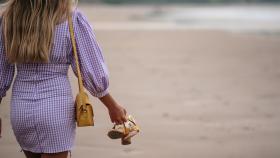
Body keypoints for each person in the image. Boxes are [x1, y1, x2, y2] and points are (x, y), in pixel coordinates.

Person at [0, 0, 128, 158]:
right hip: (56, 109)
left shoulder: (8, 18)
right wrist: (112, 106)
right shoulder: (71, 18)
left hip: (21, 110)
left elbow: (1, 71)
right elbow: (90, 68)